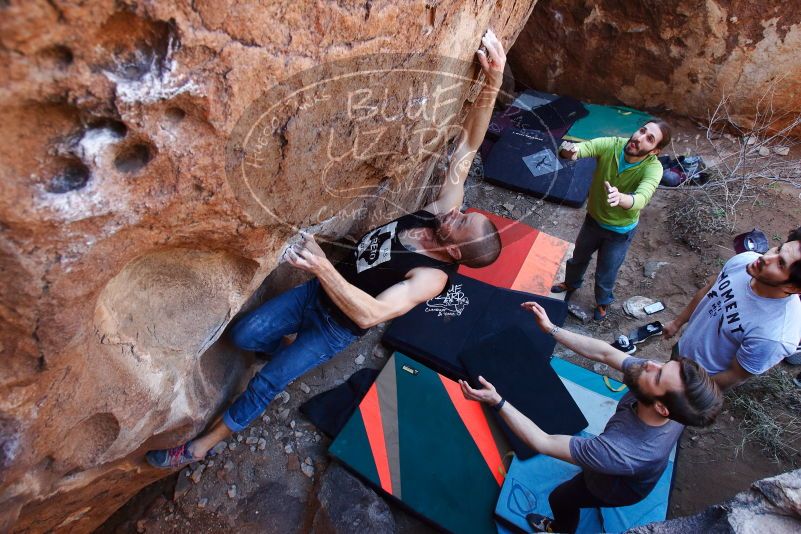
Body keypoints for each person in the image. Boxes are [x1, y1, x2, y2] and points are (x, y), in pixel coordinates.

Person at [145, 30, 506, 468]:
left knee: (266, 384)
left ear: (455, 254)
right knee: (245, 335)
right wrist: (494, 80)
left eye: (460, 224)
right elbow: (467, 147)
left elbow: (370, 315)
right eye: (463, 213)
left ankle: (201, 447)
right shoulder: (439, 214)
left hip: (336, 325)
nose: (455, 213)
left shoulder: (430, 277)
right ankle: (286, 347)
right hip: (316, 295)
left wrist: (321, 267)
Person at [460, 301, 722, 534]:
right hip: (629, 465)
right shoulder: (664, 395)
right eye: (665, 363)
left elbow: (542, 441)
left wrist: (497, 401)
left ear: (663, 408)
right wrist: (551, 329)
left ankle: (559, 529)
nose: (650, 364)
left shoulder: (619, 452)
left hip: (615, 487)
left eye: (659, 374)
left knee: (561, 499)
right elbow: (606, 353)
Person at [551, 121, 670, 320]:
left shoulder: (653, 168)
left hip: (620, 232)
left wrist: (621, 198)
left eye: (649, 139)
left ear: (655, 151)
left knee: (606, 272)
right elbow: (583, 148)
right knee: (578, 258)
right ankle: (571, 284)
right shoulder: (612, 144)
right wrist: (570, 150)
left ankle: (602, 302)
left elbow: (642, 197)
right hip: (593, 221)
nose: (639, 138)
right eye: (642, 130)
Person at [663, 226, 801, 390]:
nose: (766, 257)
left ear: (793, 288)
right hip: (683, 349)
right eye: (778, 249)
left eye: (780, 264)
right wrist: (677, 323)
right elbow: (709, 289)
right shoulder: (745, 261)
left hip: (699, 379)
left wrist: (691, 393)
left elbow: (735, 375)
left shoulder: (775, 336)